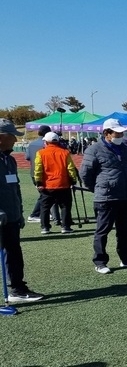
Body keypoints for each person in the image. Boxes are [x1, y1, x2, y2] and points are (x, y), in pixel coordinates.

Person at [80, 118, 127, 274]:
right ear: (107, 133)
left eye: (122, 133)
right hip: (105, 197)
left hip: (124, 196)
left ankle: (126, 259)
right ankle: (100, 262)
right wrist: (98, 188)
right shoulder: (94, 150)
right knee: (103, 231)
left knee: (125, 231)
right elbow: (85, 174)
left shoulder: (124, 149)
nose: (121, 135)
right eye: (117, 133)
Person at [0, 120, 44, 302]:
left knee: (14, 253)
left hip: (11, 218)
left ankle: (17, 288)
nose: (15, 140)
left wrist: (18, 212)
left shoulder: (9, 160)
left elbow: (14, 187)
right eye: (12, 136)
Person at [34, 132, 78, 234]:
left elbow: (38, 169)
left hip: (47, 185)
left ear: (46, 142)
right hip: (63, 184)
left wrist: (38, 182)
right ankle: (65, 226)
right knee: (65, 206)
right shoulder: (65, 152)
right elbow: (70, 168)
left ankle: (45, 227)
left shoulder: (41, 153)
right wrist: (73, 180)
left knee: (45, 207)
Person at [25, 125, 58, 223]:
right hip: (46, 173)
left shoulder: (31, 144)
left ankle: (47, 213)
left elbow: (27, 157)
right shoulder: (47, 144)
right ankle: (35, 214)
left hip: (33, 172)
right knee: (45, 195)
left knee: (45, 194)